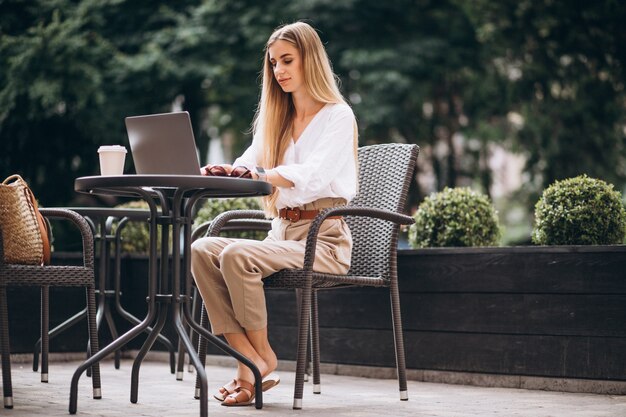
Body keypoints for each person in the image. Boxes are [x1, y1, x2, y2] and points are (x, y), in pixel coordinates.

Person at [191, 21, 358, 407]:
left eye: (287, 60)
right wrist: (225, 171)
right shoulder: (275, 120)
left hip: (323, 239)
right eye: (273, 63)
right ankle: (251, 358)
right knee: (202, 249)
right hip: (279, 234)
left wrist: (262, 174)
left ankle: (256, 362)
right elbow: (248, 163)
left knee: (236, 255)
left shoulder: (338, 116)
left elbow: (313, 178)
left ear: (310, 61)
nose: (278, 70)